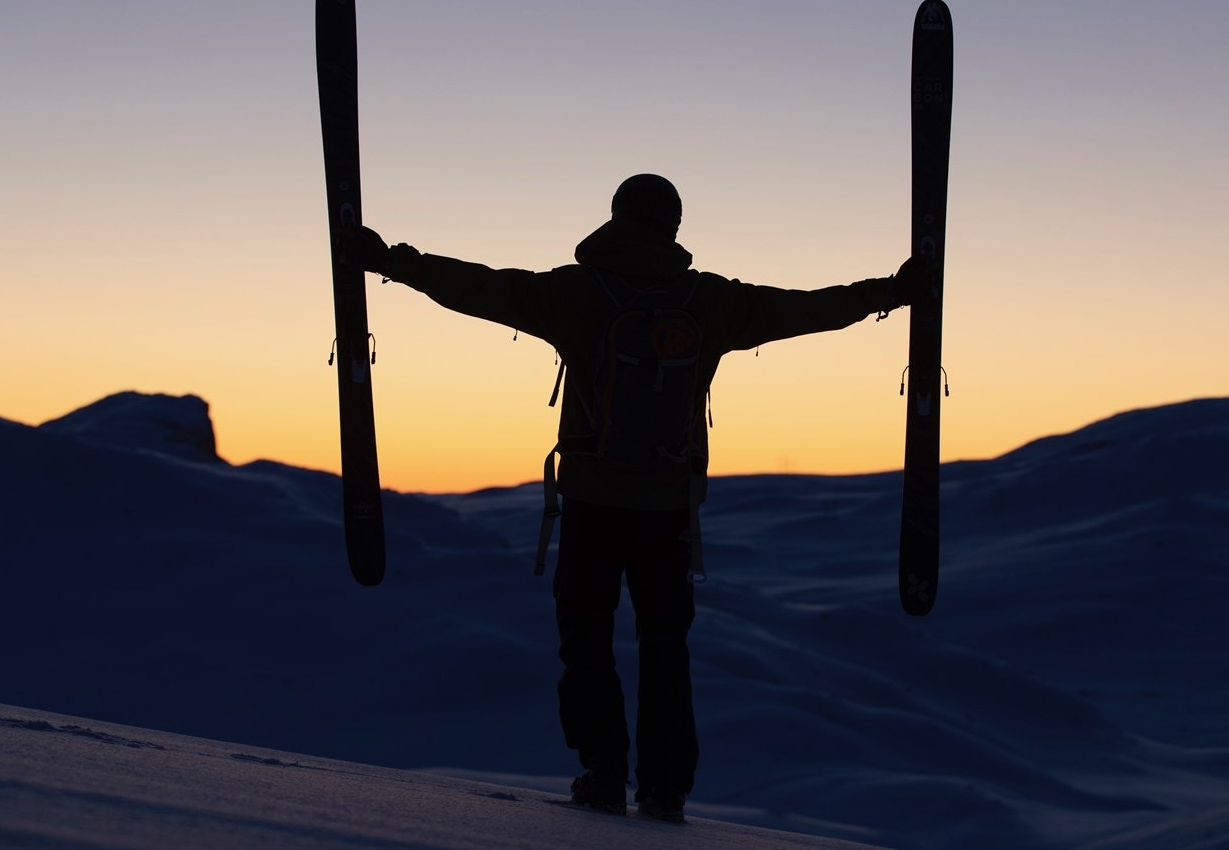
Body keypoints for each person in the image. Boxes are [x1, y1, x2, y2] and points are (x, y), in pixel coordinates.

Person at [354, 173, 921, 823]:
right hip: (668, 509)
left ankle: (602, 773)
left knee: (586, 637)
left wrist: (392, 261)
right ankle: (664, 787)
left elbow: (480, 286)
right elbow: (804, 308)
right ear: (673, 226)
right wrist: (889, 292)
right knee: (665, 646)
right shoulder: (708, 300)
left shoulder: (574, 292)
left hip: (593, 501)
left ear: (617, 216)